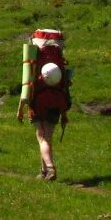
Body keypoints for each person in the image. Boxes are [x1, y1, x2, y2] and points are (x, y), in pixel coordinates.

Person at [25, 32, 72, 180]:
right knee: (48, 137)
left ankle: (50, 168)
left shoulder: (36, 61)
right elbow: (65, 87)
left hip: (38, 101)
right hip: (57, 101)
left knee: (41, 137)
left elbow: (28, 82)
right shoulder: (58, 64)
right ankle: (43, 170)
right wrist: (64, 114)